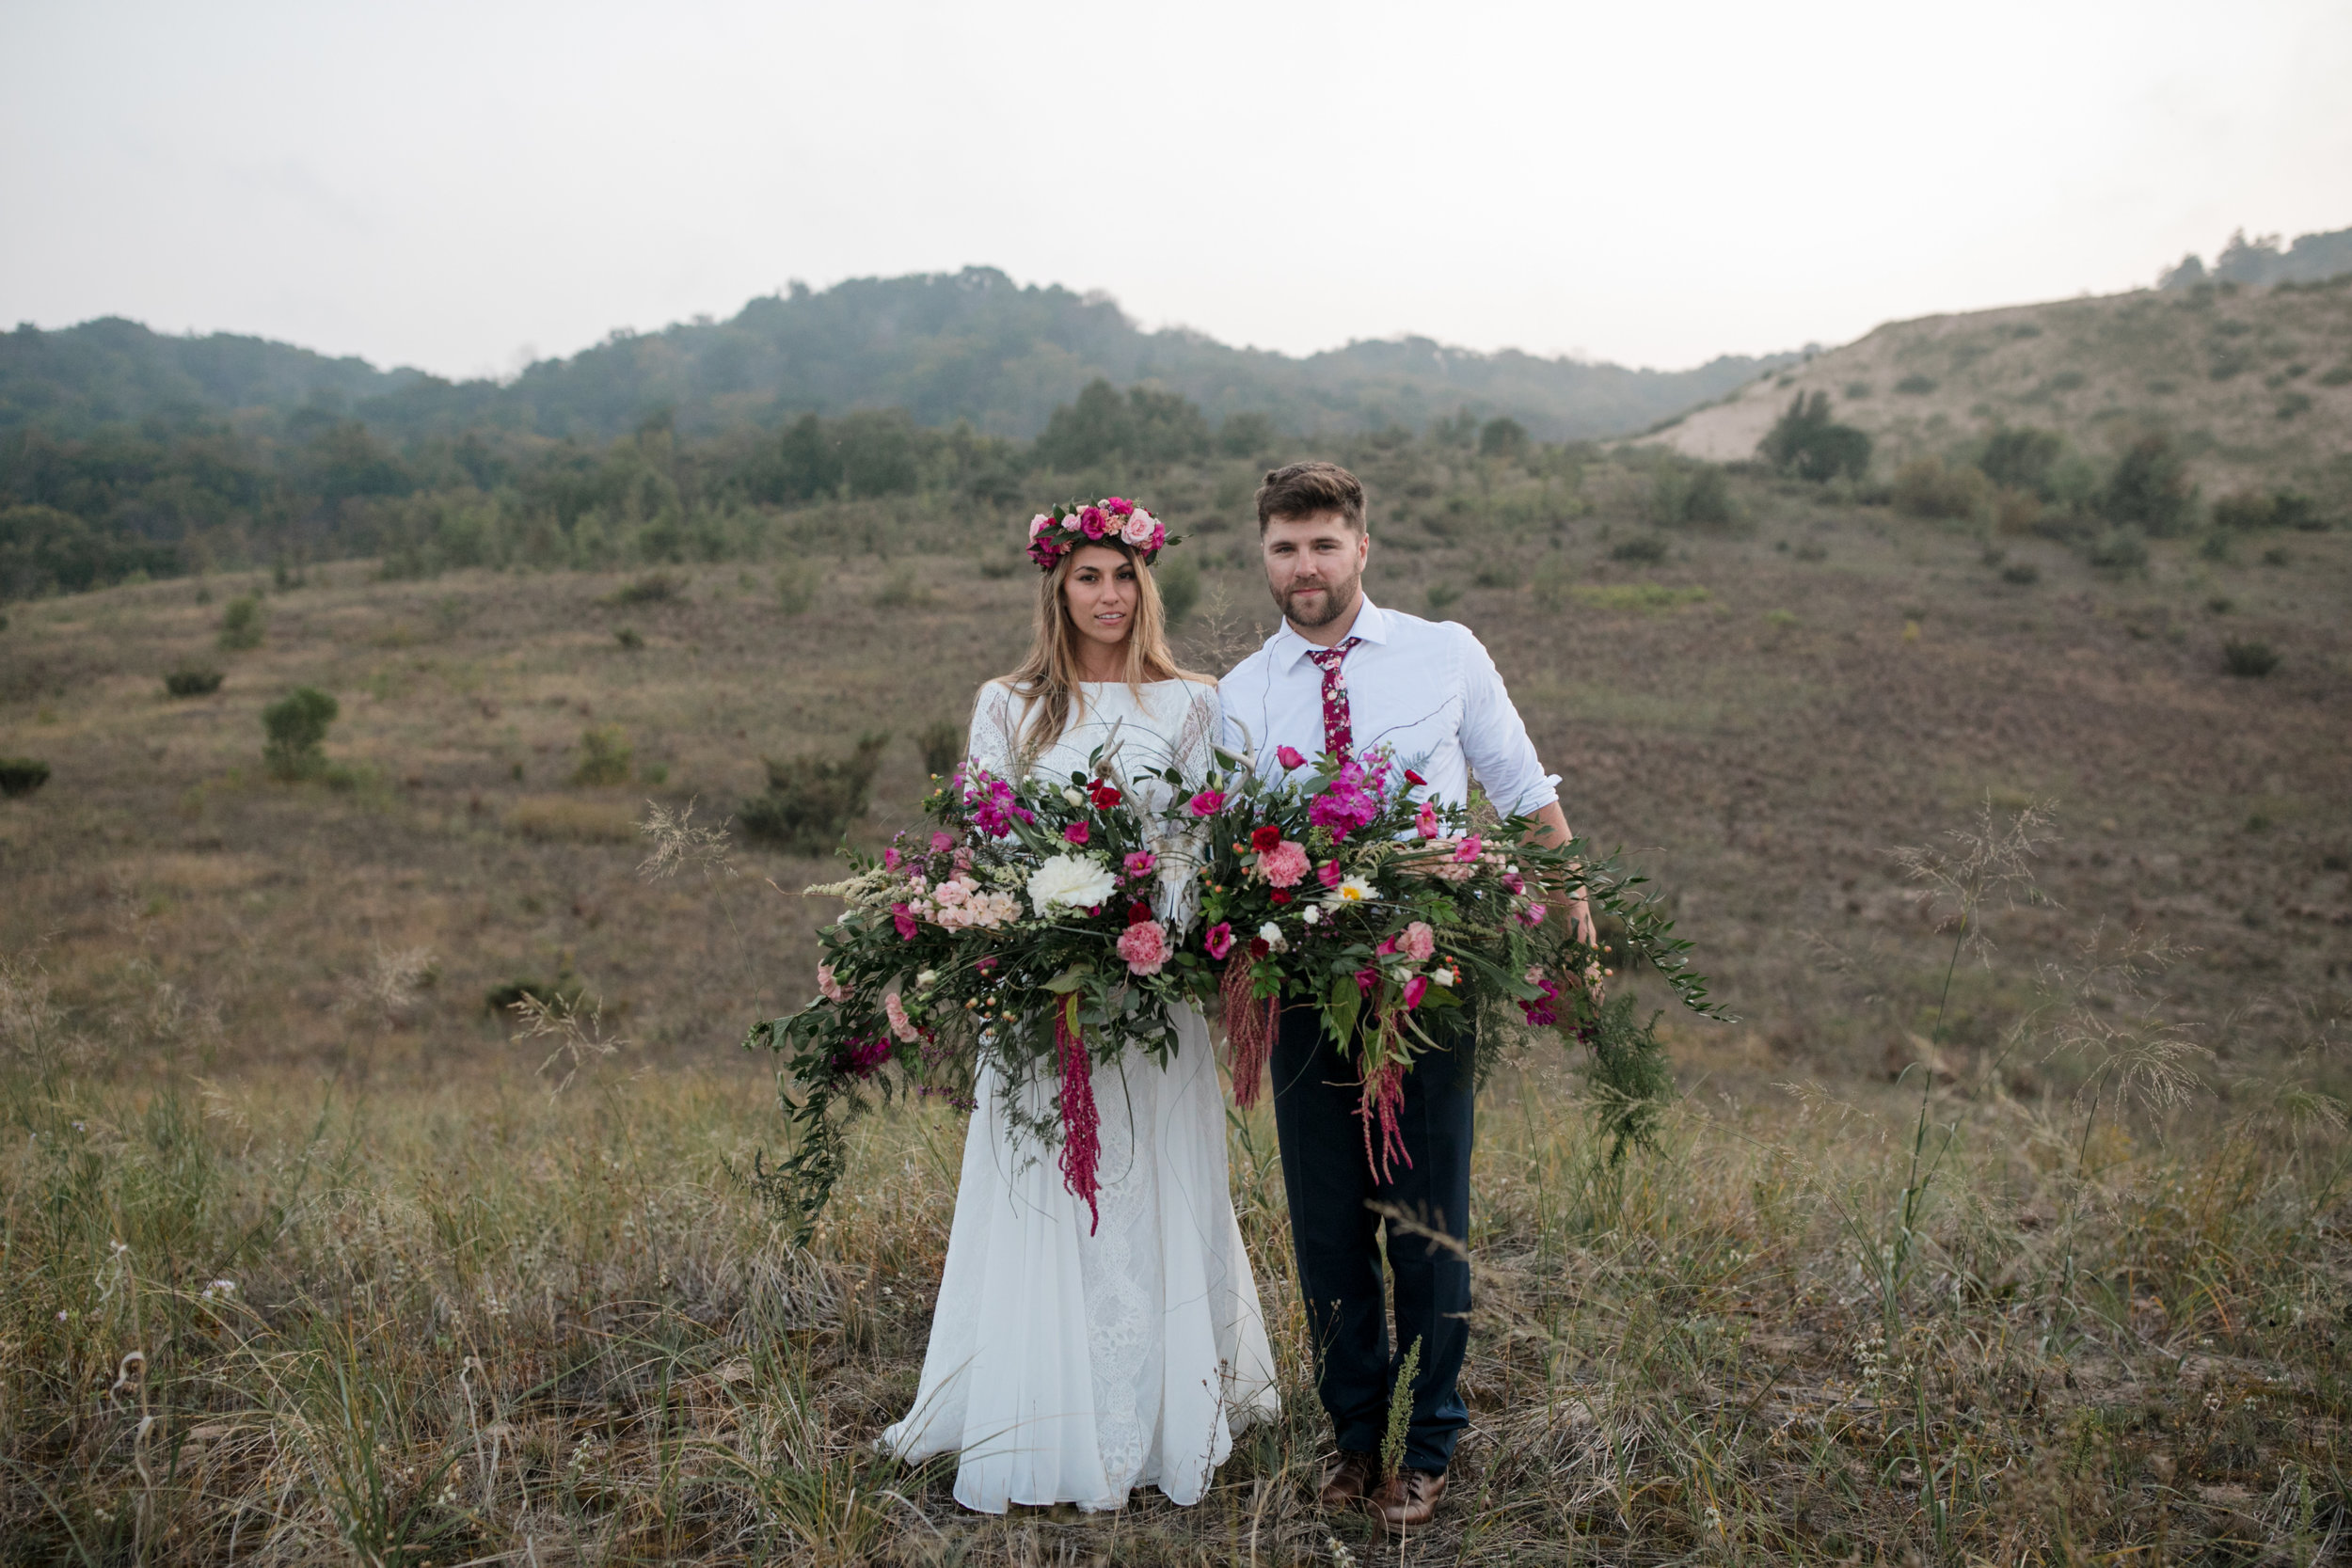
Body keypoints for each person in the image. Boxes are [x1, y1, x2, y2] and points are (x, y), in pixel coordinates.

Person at [880, 507, 1279, 1513]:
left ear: (1150, 587)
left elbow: (1201, 830)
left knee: (1152, 1174)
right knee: (1045, 1186)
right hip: (1041, 990)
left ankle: (1164, 1406)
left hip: (1154, 989)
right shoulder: (1009, 703)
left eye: (1125, 575)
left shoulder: (1195, 701)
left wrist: (1158, 923)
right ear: (1057, 588)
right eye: (1088, 575)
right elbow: (983, 835)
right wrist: (1027, 935)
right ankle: (1035, 1406)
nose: (1108, 594)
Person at [1219, 461, 1593, 1528]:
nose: (1305, 567)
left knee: (1427, 1217)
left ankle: (1428, 1441)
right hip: (1301, 986)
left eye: (1324, 544)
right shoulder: (1243, 692)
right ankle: (1349, 1439)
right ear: (1265, 555)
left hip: (1429, 979)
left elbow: (1522, 789)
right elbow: (1232, 845)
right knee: (1328, 1223)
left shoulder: (1445, 651)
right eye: (1286, 547)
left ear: (1362, 547)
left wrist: (1572, 907)